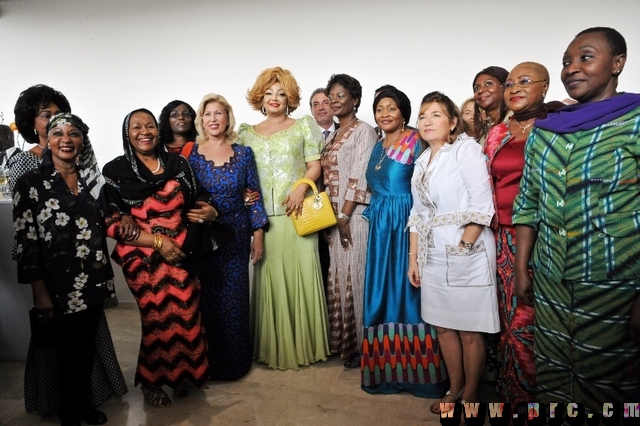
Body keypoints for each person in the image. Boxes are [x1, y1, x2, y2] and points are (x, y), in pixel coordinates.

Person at [513, 27, 640, 412]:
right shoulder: (545, 132)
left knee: (610, 386)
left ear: (617, 63)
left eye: (586, 57)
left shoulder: (634, 121)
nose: (572, 68)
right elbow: (528, 202)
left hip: (615, 287)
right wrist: (522, 267)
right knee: (554, 377)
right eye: (567, 61)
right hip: (551, 281)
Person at [10, 85, 127, 417]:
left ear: (82, 141)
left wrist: (128, 215)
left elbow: (115, 212)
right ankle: (68, 411)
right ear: (46, 138)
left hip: (93, 278)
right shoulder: (30, 182)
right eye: (57, 131)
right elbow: (26, 241)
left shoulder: (93, 181)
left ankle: (84, 403)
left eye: (73, 133)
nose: (65, 138)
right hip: (57, 284)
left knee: (87, 346)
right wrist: (39, 291)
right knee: (62, 350)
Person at [101, 108, 209, 407]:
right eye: (136, 126)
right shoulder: (116, 170)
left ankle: (181, 375)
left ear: (158, 130)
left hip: (180, 251)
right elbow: (112, 223)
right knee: (157, 318)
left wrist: (208, 210)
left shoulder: (177, 163)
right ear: (127, 133)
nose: (144, 131)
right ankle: (151, 381)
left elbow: (198, 197)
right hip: (142, 255)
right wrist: (158, 241)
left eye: (149, 125)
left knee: (187, 313)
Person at [407, 92, 499, 413]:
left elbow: (482, 203)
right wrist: (413, 259)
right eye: (422, 116)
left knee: (469, 330)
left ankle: (472, 394)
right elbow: (417, 215)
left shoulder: (465, 150)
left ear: (453, 123)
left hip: (466, 250)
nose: (426, 121)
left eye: (435, 115)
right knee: (443, 326)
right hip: (432, 254)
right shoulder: (420, 163)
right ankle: (454, 389)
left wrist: (463, 247)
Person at [484, 61, 565, 409]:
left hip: (548, 238)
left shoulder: (559, 125)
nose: (514, 87)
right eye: (510, 83)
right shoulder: (497, 133)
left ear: (545, 87)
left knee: (536, 320)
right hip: (503, 238)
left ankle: (548, 399)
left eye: (526, 81)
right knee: (510, 321)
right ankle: (516, 396)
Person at [238, 67, 330, 370]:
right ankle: (273, 348)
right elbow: (243, 178)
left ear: (289, 98)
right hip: (264, 221)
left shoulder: (303, 126)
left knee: (302, 276)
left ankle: (306, 347)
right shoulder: (246, 133)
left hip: (299, 215)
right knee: (269, 279)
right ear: (260, 98)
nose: (274, 98)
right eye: (268, 93)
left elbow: (314, 165)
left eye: (280, 93)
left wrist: (300, 187)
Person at [361, 87, 447, 397]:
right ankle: (384, 373)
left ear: (403, 113)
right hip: (381, 227)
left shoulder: (416, 140)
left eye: (391, 108)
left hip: (407, 224)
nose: (384, 113)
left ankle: (420, 377)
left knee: (410, 291)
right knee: (381, 294)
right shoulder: (378, 145)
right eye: (379, 109)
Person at [186, 93, 268, 380]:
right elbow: (184, 197)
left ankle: (235, 365)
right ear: (201, 120)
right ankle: (205, 365)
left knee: (234, 300)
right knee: (206, 300)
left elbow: (254, 196)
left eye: (218, 113)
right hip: (203, 239)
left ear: (227, 118)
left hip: (236, 234)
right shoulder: (190, 154)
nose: (213, 119)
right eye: (208, 114)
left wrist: (258, 233)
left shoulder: (244, 153)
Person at [321, 73, 377, 368]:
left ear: (355, 100)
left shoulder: (364, 131)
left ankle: (365, 349)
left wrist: (343, 216)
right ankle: (348, 347)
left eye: (340, 95)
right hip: (335, 219)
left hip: (354, 218)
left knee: (357, 277)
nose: (334, 101)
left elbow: (359, 176)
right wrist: (331, 220)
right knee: (341, 278)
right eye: (331, 96)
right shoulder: (332, 136)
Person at [472, 66, 509, 146]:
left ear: (505, 87)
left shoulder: (519, 121)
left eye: (488, 84)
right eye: (476, 88)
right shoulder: (483, 130)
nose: (480, 90)